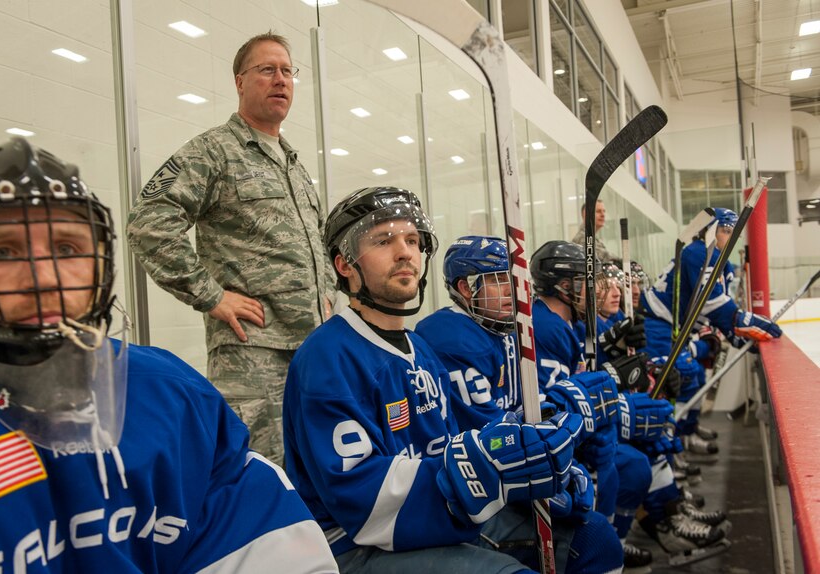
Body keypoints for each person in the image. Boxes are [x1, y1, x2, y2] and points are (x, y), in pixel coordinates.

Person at [0, 138, 338, 572]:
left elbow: (264, 543)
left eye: (67, 249)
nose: (44, 277)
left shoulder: (172, 396)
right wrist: (211, 295)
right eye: (2, 252)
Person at [284, 188, 587, 574]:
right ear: (345, 265)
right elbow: (362, 500)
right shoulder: (327, 358)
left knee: (590, 540)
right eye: (383, 240)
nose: (405, 252)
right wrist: (483, 473)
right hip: (355, 546)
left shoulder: (419, 349)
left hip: (428, 516)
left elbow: (449, 445)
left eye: (412, 240)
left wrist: (530, 458)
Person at [126, 31, 335, 464]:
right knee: (265, 474)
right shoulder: (214, 151)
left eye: (286, 70)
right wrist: (211, 296)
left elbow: (317, 241)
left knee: (318, 469)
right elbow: (148, 223)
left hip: (313, 350)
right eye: (266, 70)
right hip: (253, 356)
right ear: (240, 81)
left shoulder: (293, 163)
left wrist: (328, 298)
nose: (280, 79)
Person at [414, 235, 625, 573]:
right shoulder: (450, 336)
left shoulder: (506, 331)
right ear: (465, 289)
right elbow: (488, 431)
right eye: (499, 281)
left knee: (604, 474)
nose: (513, 292)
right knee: (595, 538)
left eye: (514, 281)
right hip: (470, 484)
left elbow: (522, 406)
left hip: (504, 464)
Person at [641, 207, 782, 456]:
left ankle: (685, 435)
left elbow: (710, 305)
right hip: (658, 324)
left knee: (693, 377)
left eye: (733, 233)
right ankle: (666, 452)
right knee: (670, 384)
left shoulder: (716, 258)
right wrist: (742, 321)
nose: (730, 237)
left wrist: (733, 332)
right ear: (710, 231)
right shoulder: (700, 253)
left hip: (676, 327)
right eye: (725, 231)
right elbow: (712, 303)